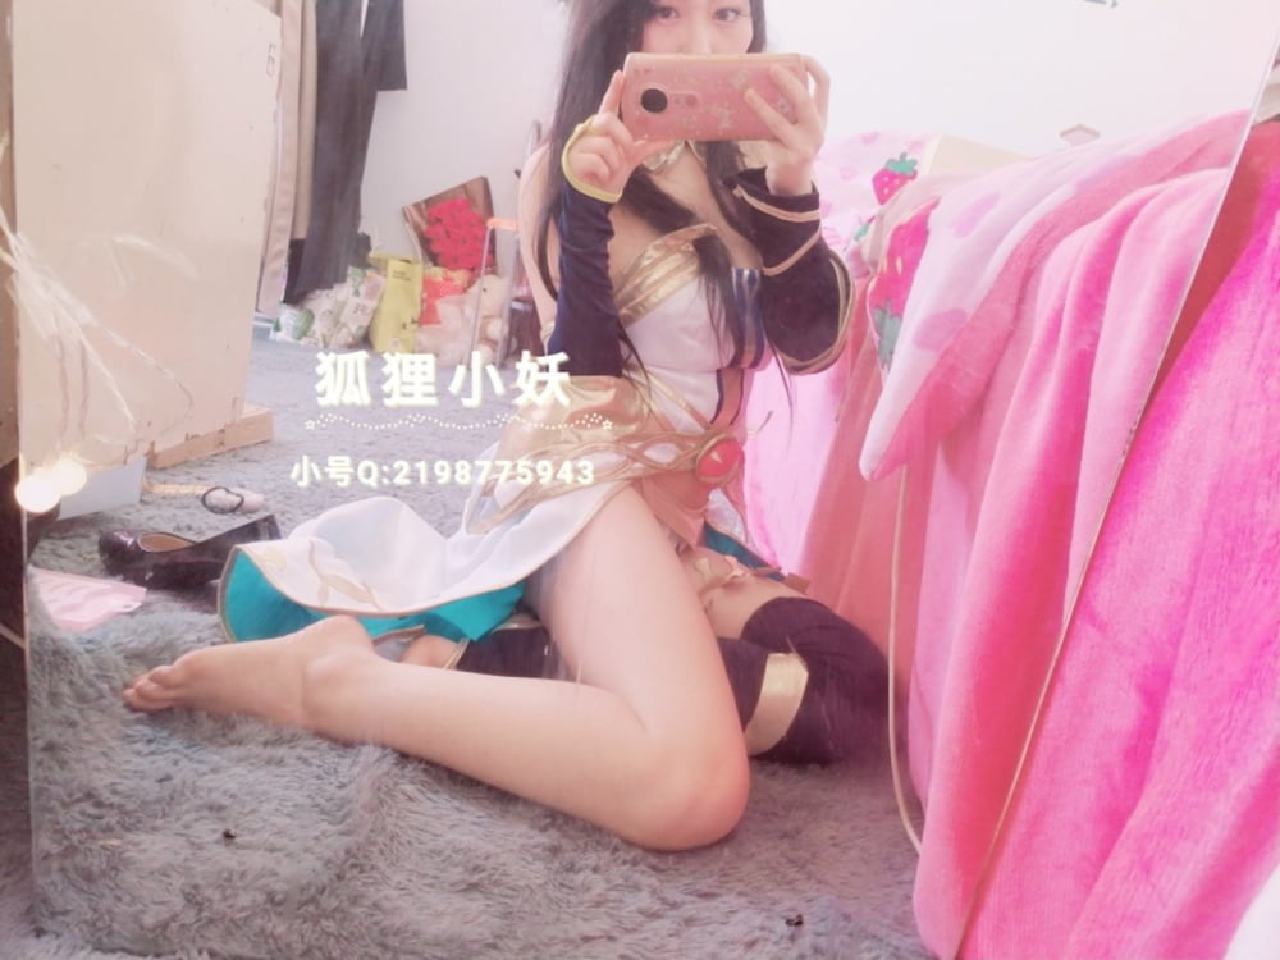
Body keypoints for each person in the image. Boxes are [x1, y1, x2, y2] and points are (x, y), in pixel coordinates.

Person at [123, 0, 888, 852]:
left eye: (726, 13)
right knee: (690, 790)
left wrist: (793, 185)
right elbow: (581, 382)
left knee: (852, 687)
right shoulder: (574, 161)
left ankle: (475, 660)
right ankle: (337, 683)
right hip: (585, 484)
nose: (705, 45)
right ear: (618, 23)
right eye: (667, 12)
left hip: (686, 518)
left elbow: (809, 345)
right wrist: (589, 206)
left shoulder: (751, 164)